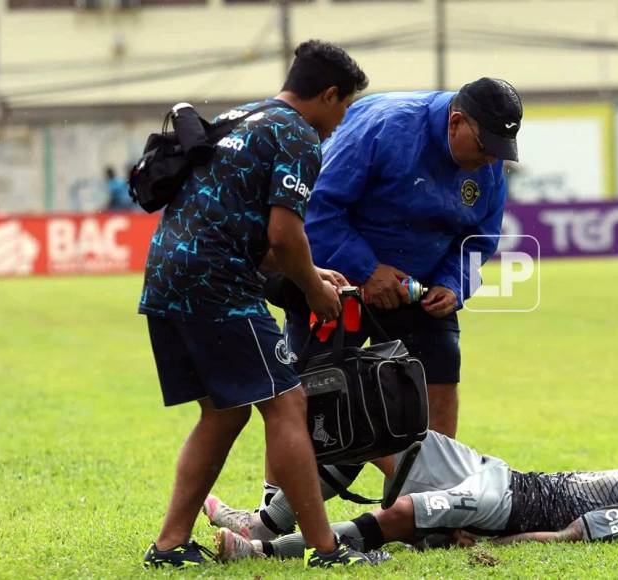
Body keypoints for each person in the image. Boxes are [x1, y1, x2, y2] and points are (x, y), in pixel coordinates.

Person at [137, 40, 373, 569]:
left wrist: (312, 272)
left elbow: (253, 233)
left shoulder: (236, 118)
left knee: (223, 413)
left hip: (166, 276)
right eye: (343, 109)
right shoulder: (297, 135)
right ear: (329, 95)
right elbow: (285, 236)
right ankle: (326, 550)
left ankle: (170, 547)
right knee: (286, 403)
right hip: (217, 285)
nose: (339, 123)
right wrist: (315, 291)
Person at [255, 77, 524, 510]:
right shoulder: (383, 127)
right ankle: (275, 504)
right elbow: (319, 208)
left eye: (500, 150)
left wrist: (453, 286)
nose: (491, 159)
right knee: (307, 390)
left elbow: (480, 238)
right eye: (485, 146)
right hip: (338, 279)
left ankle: (432, 501)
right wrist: (366, 270)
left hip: (419, 289)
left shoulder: (488, 164)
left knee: (438, 379)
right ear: (455, 122)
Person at [206, 402, 618, 562]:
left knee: (406, 513)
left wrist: (492, 542)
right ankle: (261, 521)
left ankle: (266, 551)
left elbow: (573, 536)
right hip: (501, 475)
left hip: (505, 504)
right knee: (381, 431)